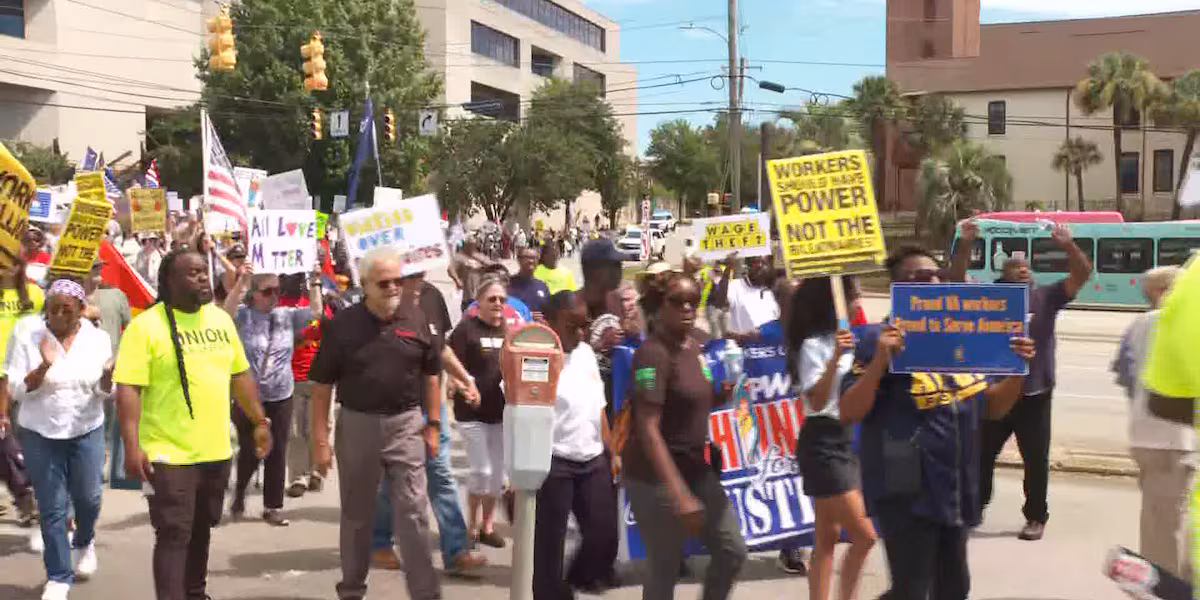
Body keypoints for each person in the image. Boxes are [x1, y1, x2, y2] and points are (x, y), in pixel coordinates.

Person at [840, 245, 1035, 600]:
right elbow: (849, 410)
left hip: (956, 491)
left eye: (937, 276)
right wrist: (881, 361)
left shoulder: (962, 341)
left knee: (954, 590)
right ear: (897, 288)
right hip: (907, 493)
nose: (932, 281)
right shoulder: (877, 339)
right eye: (919, 277)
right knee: (912, 590)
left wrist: (1018, 371)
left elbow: (992, 408)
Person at [114, 248, 272, 600]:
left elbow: (240, 374)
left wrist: (260, 421)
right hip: (167, 454)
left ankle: (195, 593)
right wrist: (131, 445)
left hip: (215, 450)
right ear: (169, 281)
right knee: (173, 532)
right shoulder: (145, 328)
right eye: (193, 272)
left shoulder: (220, 321)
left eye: (205, 271)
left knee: (202, 528)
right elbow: (128, 390)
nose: (203, 277)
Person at [309, 246, 442, 600]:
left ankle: (425, 593)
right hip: (358, 425)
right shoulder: (342, 326)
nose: (394, 289)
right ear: (365, 284)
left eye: (399, 281)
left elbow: (431, 376)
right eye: (384, 283)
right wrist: (320, 440)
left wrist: (434, 424)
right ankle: (352, 589)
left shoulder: (418, 318)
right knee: (357, 513)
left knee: (414, 511)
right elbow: (321, 387)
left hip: (406, 424)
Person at [959, 222, 1091, 541]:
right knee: (980, 456)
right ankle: (973, 508)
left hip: (1035, 395)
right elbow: (955, 281)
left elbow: (1082, 275)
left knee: (1035, 459)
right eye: (1017, 268)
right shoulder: (989, 299)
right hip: (995, 393)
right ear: (1004, 275)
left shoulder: (1046, 297)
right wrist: (965, 244)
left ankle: (1036, 517)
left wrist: (1069, 246)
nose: (1024, 271)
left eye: (1027, 268)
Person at [622, 272, 746, 600]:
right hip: (653, 476)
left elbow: (692, 397)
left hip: (693, 466)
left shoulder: (696, 347)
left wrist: (722, 394)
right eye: (678, 302)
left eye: (695, 301)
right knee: (665, 567)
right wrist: (680, 495)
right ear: (659, 307)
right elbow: (648, 429)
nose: (688, 308)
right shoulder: (652, 354)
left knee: (732, 549)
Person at [3, 279, 114, 600]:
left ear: (81, 310)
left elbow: (105, 392)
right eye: (53, 309)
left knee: (89, 498)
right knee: (51, 506)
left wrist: (108, 376)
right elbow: (16, 390)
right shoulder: (27, 333)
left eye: (68, 309)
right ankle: (58, 576)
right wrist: (42, 367)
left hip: (86, 429)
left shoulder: (97, 339)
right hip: (40, 431)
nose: (60, 315)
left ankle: (84, 540)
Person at [370, 274, 487, 574]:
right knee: (390, 479)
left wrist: (464, 379)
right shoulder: (382, 296)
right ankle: (379, 543)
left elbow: (440, 348)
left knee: (441, 475)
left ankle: (456, 551)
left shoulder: (433, 295)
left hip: (431, 407)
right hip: (393, 409)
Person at [787, 276, 878, 600]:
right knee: (865, 536)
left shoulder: (851, 338)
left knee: (827, 537)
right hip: (822, 443)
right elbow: (816, 399)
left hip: (843, 438)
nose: (858, 301)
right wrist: (835, 357)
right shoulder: (815, 345)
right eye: (853, 295)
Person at [221, 264, 324, 526]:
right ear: (254, 293)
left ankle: (273, 506)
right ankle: (240, 491)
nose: (274, 296)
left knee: (277, 449)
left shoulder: (286, 316)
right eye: (268, 291)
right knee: (250, 450)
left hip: (281, 394)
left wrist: (315, 281)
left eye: (277, 290)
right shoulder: (243, 316)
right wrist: (241, 281)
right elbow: (224, 315)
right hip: (249, 396)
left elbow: (316, 312)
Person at [533, 290, 620, 599]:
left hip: (592, 457)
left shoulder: (585, 354)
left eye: (585, 325)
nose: (581, 333)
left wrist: (611, 452)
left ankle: (574, 580)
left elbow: (598, 406)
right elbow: (517, 410)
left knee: (604, 532)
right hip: (553, 461)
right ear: (552, 322)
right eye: (573, 325)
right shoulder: (535, 355)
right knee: (548, 549)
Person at [1111, 266, 1193, 580]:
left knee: (1162, 524)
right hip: (1172, 440)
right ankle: (1169, 589)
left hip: (1151, 435)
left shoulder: (1139, 325)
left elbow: (1125, 376)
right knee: (1169, 528)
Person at [450, 275, 510, 549]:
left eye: (502, 300)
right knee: (482, 470)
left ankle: (488, 526)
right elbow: (452, 367)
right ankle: (471, 525)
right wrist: (460, 386)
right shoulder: (466, 330)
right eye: (492, 299)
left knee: (497, 476)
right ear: (479, 303)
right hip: (471, 413)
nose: (498, 304)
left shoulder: (510, 331)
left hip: (500, 414)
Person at [0, 258, 42, 525]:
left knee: (20, 439)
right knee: (4, 439)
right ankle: (24, 494)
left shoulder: (35, 294)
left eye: (12, 262)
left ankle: (27, 492)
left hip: (25, 376)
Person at [449, 236, 494, 311]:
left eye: (473, 244)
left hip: (482, 294)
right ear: (465, 245)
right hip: (469, 296)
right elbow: (450, 269)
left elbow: (493, 266)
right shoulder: (459, 257)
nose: (471, 246)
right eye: (469, 244)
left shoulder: (480, 256)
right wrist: (457, 280)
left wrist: (480, 261)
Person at [510, 247, 551, 319]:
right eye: (527, 257)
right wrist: (527, 315)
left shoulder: (542, 286)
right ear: (519, 260)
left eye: (534, 258)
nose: (531, 261)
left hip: (538, 329)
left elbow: (549, 312)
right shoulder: (508, 284)